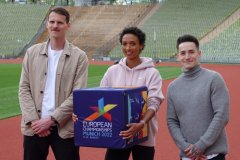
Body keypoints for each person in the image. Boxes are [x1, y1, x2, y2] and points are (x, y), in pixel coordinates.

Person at [19, 7, 88, 160]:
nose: (55, 25)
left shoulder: (79, 57)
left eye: (60, 22)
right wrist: (35, 121)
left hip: (63, 128)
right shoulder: (32, 53)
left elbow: (78, 94)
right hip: (34, 127)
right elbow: (23, 88)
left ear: (67, 25)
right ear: (47, 24)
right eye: (52, 22)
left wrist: (51, 120)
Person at [100, 27, 164, 160]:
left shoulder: (152, 73)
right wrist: (82, 115)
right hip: (118, 133)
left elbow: (154, 102)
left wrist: (142, 123)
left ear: (141, 46)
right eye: (124, 44)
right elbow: (101, 98)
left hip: (144, 135)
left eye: (133, 44)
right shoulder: (112, 71)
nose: (128, 48)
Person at [166, 34, 229, 160]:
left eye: (191, 52)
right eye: (183, 53)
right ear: (178, 56)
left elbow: (222, 115)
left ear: (199, 53)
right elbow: (172, 121)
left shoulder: (214, 79)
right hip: (187, 155)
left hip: (213, 155)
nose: (187, 57)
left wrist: (201, 145)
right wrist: (185, 147)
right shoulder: (173, 87)